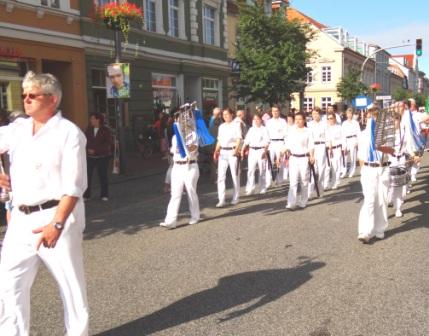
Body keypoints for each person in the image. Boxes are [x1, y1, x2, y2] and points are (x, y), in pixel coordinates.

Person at [0, 71, 89, 334]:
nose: (25, 100)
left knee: (70, 286)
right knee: (9, 283)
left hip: (55, 216)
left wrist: (57, 224)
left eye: (32, 95)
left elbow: (75, 186)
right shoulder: (18, 129)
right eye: (24, 95)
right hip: (20, 218)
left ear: (51, 99)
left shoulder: (68, 133)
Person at [357, 105, 393, 243]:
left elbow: (392, 150)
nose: (373, 116)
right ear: (366, 116)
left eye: (376, 113)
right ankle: (365, 231)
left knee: (382, 200)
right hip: (368, 169)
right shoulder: (363, 134)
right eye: (370, 114)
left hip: (383, 169)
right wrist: (364, 171)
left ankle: (380, 229)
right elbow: (360, 156)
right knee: (370, 200)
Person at [160, 114, 200, 229]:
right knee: (175, 194)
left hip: (190, 167)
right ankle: (170, 221)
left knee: (191, 192)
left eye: (182, 121)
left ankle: (195, 216)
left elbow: (193, 149)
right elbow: (173, 151)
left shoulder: (192, 134)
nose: (180, 123)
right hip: (177, 167)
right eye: (178, 121)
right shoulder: (174, 137)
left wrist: (186, 146)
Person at [281, 112, 315, 210]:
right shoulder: (291, 130)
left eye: (300, 119)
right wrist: (282, 151)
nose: (298, 121)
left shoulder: (308, 131)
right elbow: (287, 143)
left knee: (304, 181)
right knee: (293, 181)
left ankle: (303, 201)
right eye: (296, 119)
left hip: (304, 158)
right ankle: (291, 203)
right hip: (293, 158)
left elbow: (311, 145)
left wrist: (312, 156)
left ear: (304, 120)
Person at [213, 108, 242, 207]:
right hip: (223, 152)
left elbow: (238, 139)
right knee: (220, 176)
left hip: (232, 151)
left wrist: (236, 150)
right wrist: (216, 151)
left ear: (232, 115)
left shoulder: (236, 125)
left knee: (235, 175)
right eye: (223, 115)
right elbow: (219, 140)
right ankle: (221, 199)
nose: (225, 116)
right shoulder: (221, 126)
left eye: (227, 114)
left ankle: (236, 197)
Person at [83, 112, 113, 201]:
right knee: (87, 176)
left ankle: (104, 194)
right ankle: (87, 195)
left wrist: (96, 150)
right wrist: (88, 148)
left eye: (92, 118)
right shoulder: (88, 129)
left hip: (102, 157)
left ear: (98, 120)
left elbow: (108, 143)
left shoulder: (105, 130)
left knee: (102, 175)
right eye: (91, 118)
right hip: (90, 157)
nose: (91, 120)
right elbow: (84, 140)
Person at [241, 113, 269, 195]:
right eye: (254, 119)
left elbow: (267, 141)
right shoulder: (251, 129)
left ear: (261, 120)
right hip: (252, 150)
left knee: (262, 169)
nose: (256, 121)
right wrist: (242, 150)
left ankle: (262, 187)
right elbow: (246, 141)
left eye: (258, 119)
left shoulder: (264, 129)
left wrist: (265, 151)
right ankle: (251, 187)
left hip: (261, 150)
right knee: (250, 170)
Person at [388, 113, 407, 218]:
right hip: (391, 160)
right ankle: (390, 198)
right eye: (392, 120)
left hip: (401, 159)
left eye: (395, 120)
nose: (393, 122)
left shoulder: (404, 133)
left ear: (399, 121)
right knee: (390, 184)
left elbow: (408, 145)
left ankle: (398, 208)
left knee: (399, 185)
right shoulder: (388, 134)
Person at [265, 106, 288, 188]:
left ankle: (279, 180)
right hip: (271, 142)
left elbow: (286, 134)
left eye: (276, 111)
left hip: (280, 142)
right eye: (273, 111)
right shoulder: (268, 122)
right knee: (269, 163)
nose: (275, 112)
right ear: (271, 112)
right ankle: (268, 181)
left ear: (279, 111)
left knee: (280, 162)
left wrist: (285, 145)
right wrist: (266, 145)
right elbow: (266, 134)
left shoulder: (283, 122)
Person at [307, 107, 327, 197]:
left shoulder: (324, 124)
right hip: (312, 147)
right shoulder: (309, 124)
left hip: (321, 146)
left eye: (317, 114)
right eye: (313, 114)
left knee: (321, 169)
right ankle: (310, 190)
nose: (315, 116)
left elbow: (328, 136)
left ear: (320, 114)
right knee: (312, 169)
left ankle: (320, 189)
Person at [325, 112, 345, 189]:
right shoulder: (326, 128)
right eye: (328, 118)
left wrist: (344, 148)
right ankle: (330, 181)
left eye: (331, 118)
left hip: (337, 148)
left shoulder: (339, 127)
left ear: (335, 119)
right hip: (328, 149)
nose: (330, 120)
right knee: (329, 167)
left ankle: (336, 181)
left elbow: (343, 138)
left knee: (336, 166)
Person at [341, 107, 361, 178]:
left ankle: (352, 171)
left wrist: (357, 142)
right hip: (346, 140)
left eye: (350, 113)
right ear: (346, 114)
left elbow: (358, 133)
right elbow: (343, 134)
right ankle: (344, 171)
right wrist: (344, 144)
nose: (349, 115)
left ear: (352, 114)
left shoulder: (355, 123)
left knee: (353, 157)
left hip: (353, 139)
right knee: (344, 157)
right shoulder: (344, 123)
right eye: (348, 113)